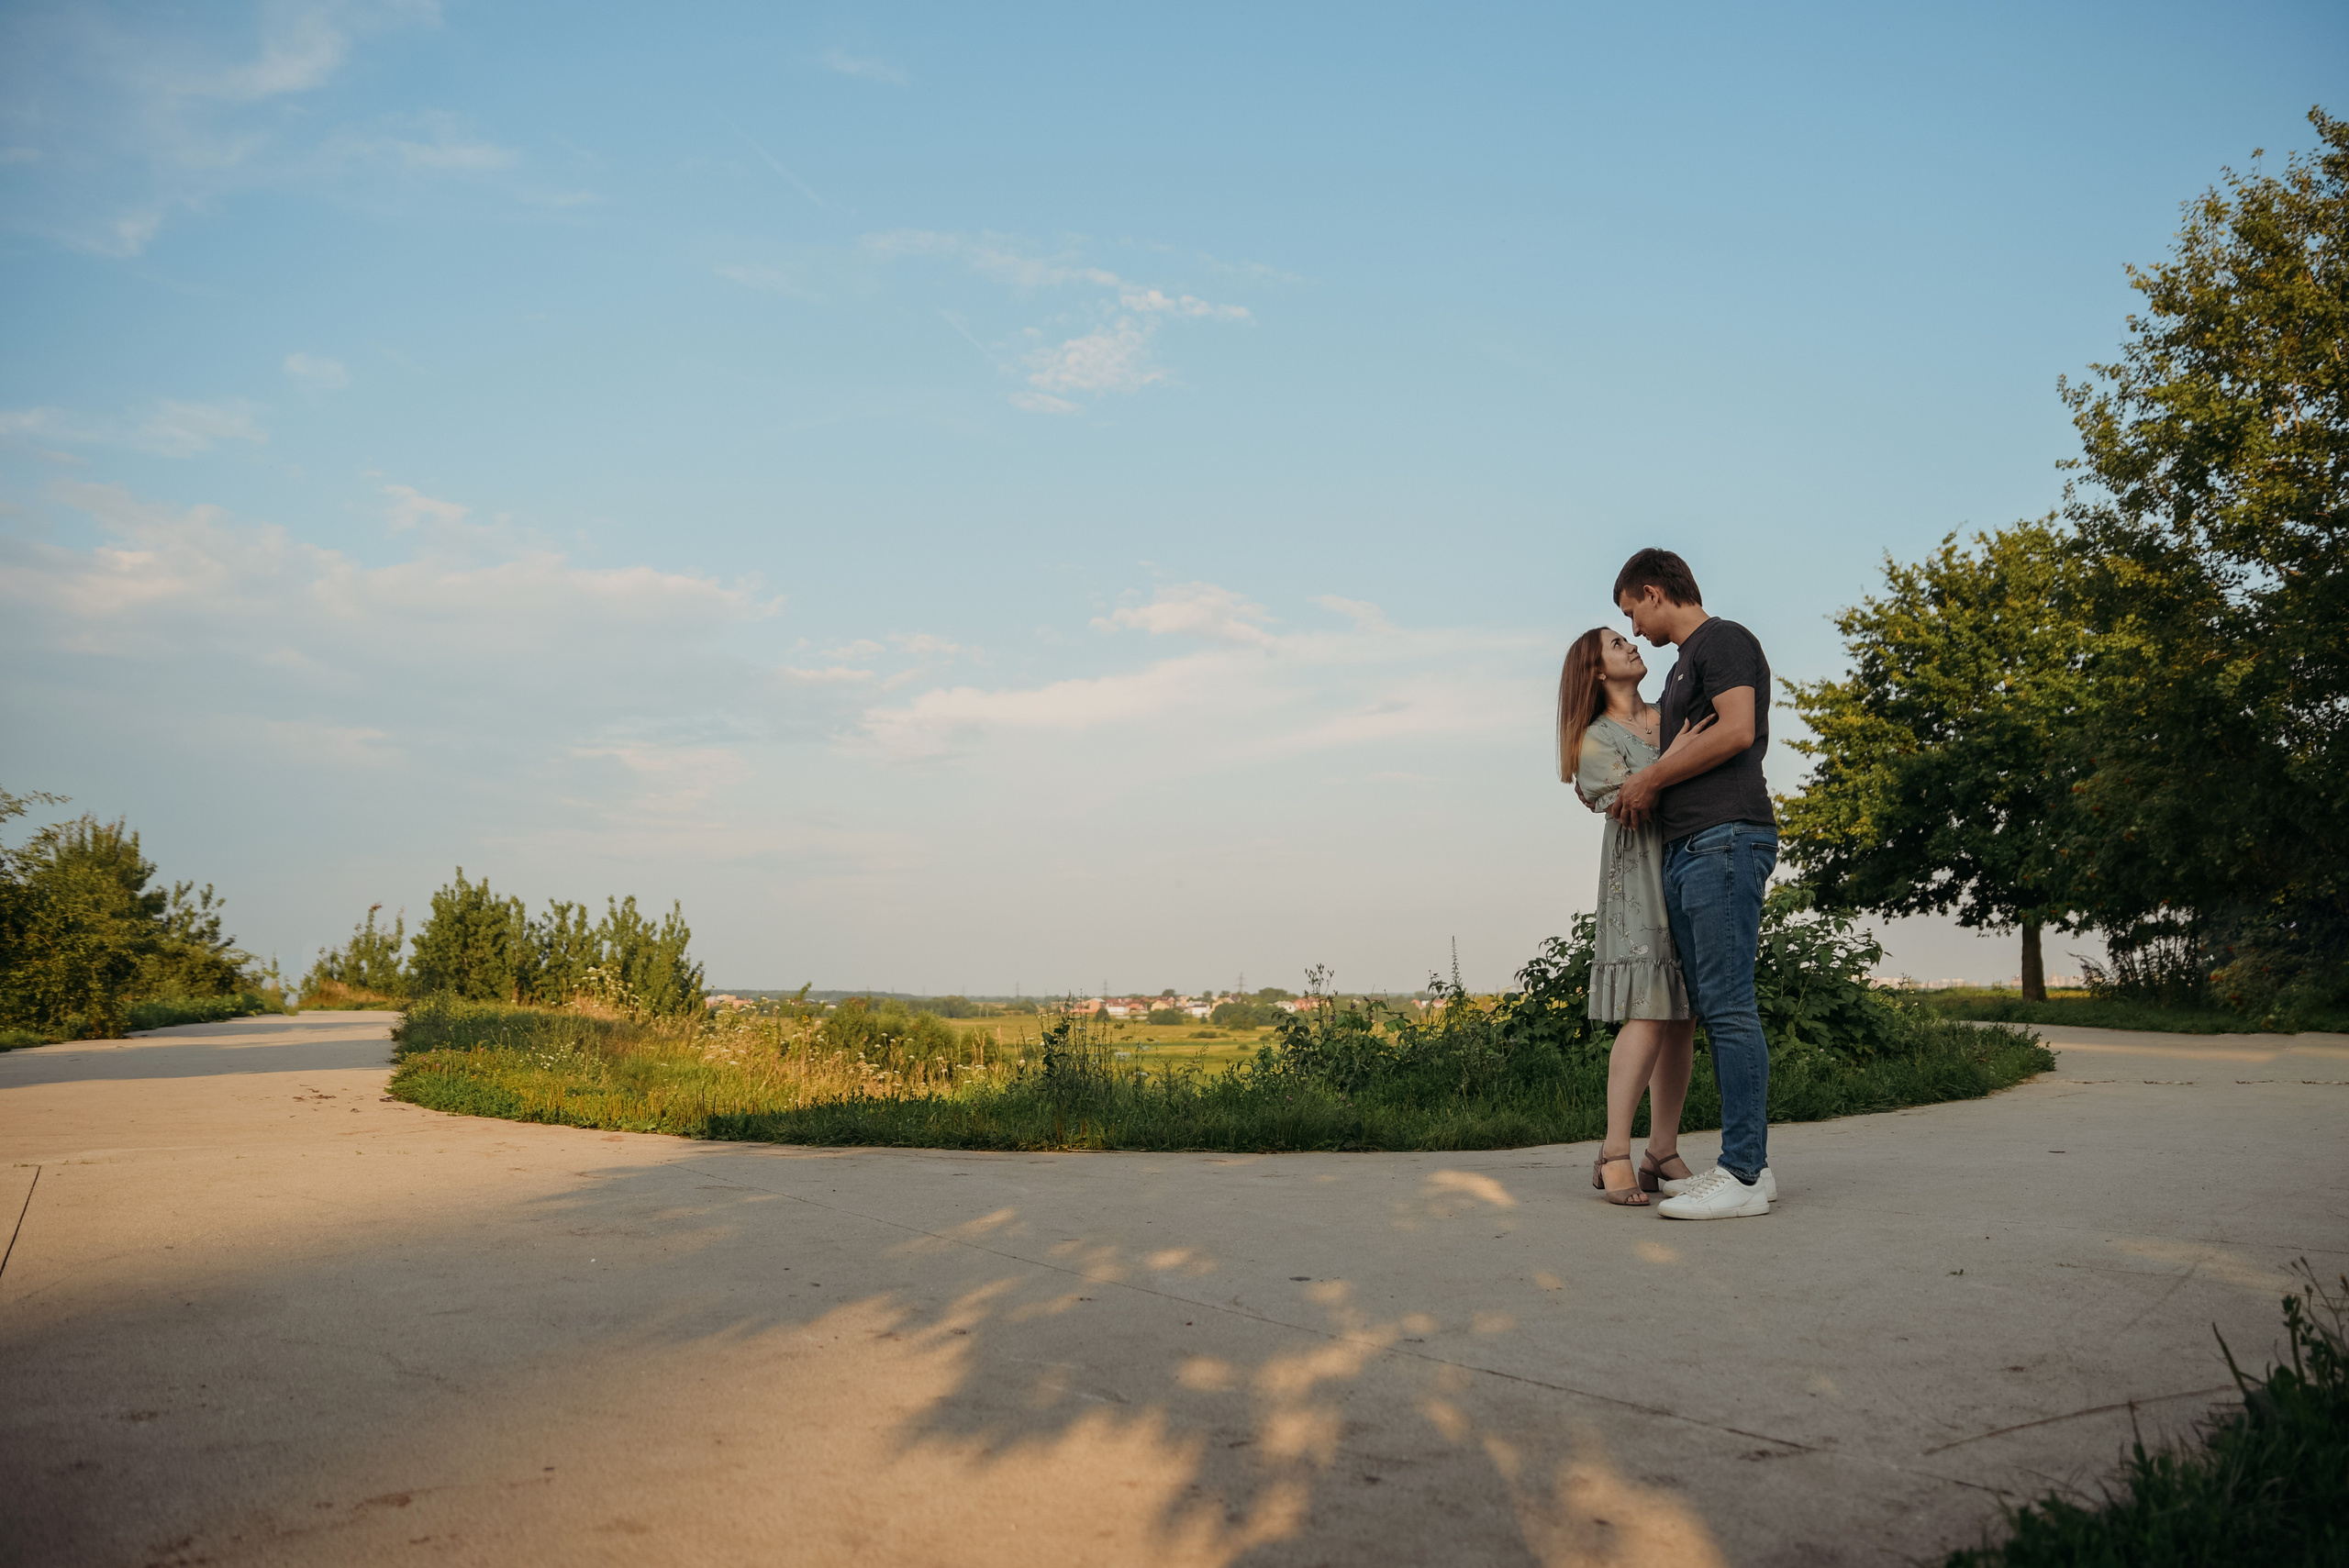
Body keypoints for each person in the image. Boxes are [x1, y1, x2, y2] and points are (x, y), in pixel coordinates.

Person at [1607, 549, 1780, 1220]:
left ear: (1654, 592)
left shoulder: (1724, 640)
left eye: (1631, 611)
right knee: (1714, 1008)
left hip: (1725, 838)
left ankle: (1742, 1173)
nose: (1634, 625)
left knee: (1731, 1006)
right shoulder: (1682, 668)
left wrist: (1649, 779)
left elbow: (1737, 730)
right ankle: (1749, 1169)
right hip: (1689, 849)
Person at [1559, 626, 1708, 1207]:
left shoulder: (1671, 712)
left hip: (1688, 863)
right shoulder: (1596, 736)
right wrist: (1676, 761)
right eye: (1616, 644)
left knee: (1683, 1016)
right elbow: (1630, 802)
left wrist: (1672, 762)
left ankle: (1661, 1151)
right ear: (1597, 672)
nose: (1631, 646)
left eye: (1628, 637)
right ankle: (1613, 1151)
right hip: (1640, 875)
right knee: (1647, 1009)